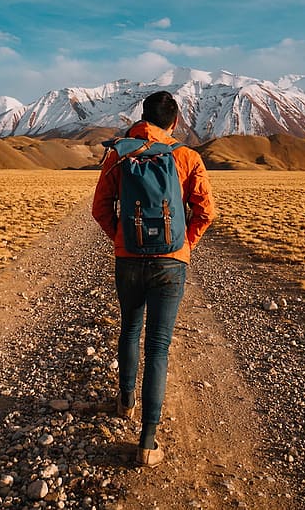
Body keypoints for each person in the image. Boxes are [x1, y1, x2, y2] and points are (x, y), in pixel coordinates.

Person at [91, 90, 215, 467]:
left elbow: (99, 208)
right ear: (174, 121)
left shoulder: (118, 153)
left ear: (141, 116)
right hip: (171, 263)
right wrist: (184, 247)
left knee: (130, 328)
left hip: (128, 259)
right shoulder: (187, 156)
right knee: (158, 346)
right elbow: (205, 211)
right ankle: (148, 441)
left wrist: (121, 238)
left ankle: (125, 402)